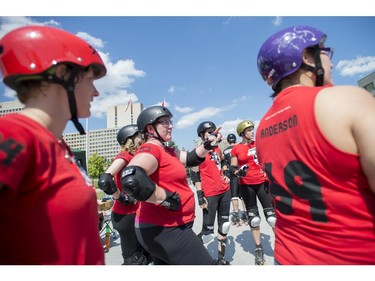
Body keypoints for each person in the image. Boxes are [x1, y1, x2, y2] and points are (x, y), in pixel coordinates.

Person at [255, 25, 375, 265]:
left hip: (289, 257)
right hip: (353, 258)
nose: (331, 63)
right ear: (305, 58)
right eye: (324, 52)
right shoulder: (348, 99)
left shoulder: (261, 128)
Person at [0, 25, 107, 264]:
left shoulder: (58, 145)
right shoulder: (14, 134)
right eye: (90, 79)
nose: (96, 92)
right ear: (62, 74)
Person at [120, 105, 224, 265]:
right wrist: (166, 199)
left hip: (163, 228)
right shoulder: (150, 149)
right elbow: (132, 179)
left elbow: (191, 158)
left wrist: (208, 144)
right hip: (165, 229)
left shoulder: (167, 150)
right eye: (165, 122)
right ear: (150, 128)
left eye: (170, 121)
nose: (171, 125)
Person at [98, 124, 153, 265]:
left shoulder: (139, 156)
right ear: (131, 139)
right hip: (125, 216)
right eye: (141, 135)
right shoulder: (125, 155)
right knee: (134, 261)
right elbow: (105, 180)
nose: (144, 137)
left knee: (147, 256)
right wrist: (122, 198)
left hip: (137, 213)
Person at [230, 120, 276, 265]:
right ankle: (258, 248)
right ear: (242, 133)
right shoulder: (236, 149)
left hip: (262, 182)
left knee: (272, 218)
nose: (252, 132)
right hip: (246, 186)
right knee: (254, 219)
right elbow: (232, 168)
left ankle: (284, 244)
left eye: (252, 129)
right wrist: (238, 173)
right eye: (249, 130)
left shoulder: (258, 144)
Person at [191, 121, 232, 265]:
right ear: (202, 135)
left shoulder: (217, 149)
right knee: (207, 233)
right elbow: (195, 176)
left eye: (213, 131)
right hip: (210, 194)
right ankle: (190, 253)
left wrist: (226, 173)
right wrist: (200, 196)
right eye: (208, 132)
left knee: (224, 226)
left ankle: (221, 258)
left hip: (225, 191)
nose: (211, 134)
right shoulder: (199, 151)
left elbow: (224, 162)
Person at [222, 133, 247, 226]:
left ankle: (236, 216)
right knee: (244, 195)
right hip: (241, 172)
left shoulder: (225, 151)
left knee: (234, 195)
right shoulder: (239, 147)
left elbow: (224, 165)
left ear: (228, 141)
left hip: (232, 173)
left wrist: (226, 174)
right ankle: (245, 214)